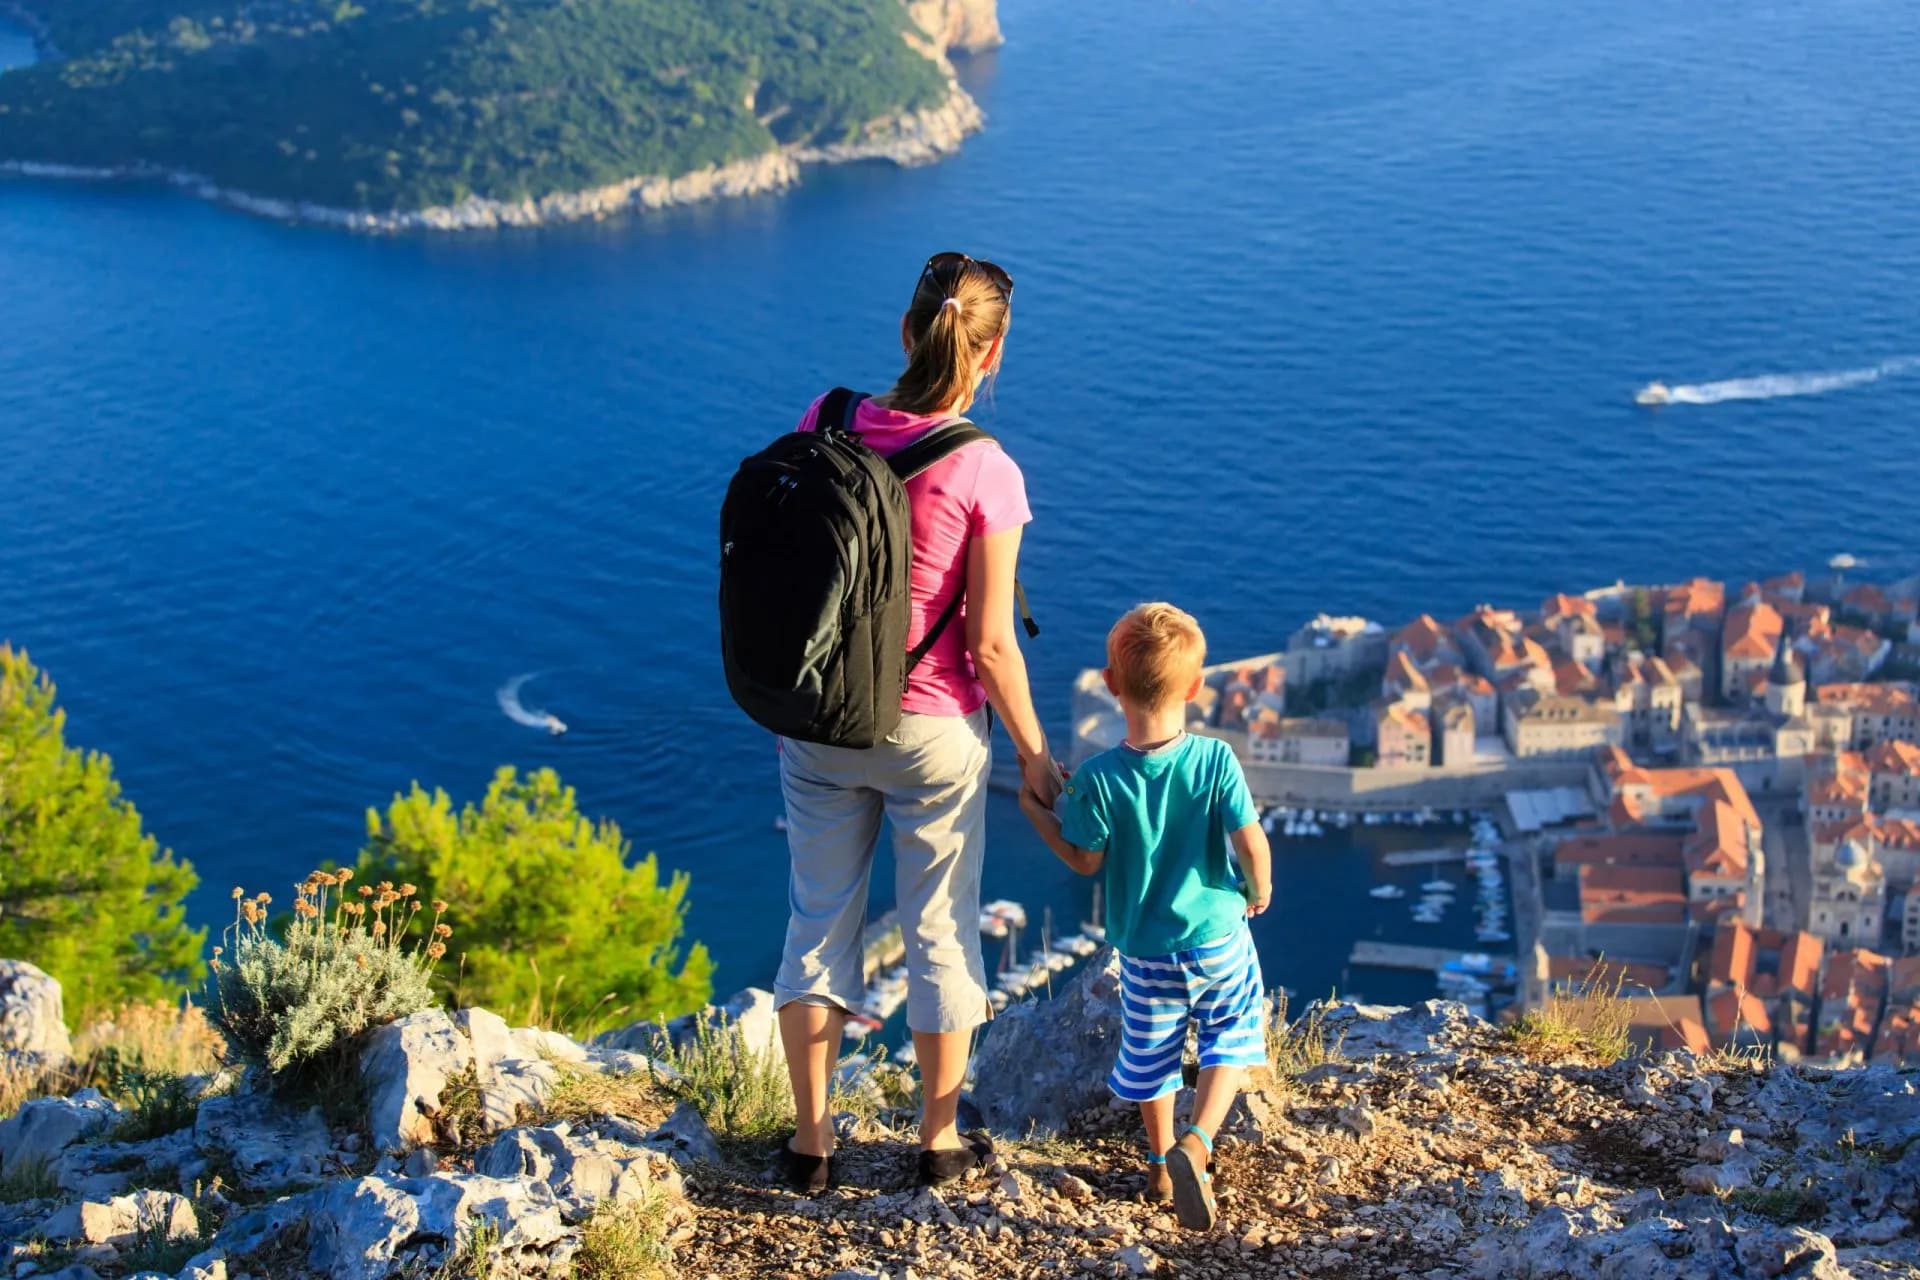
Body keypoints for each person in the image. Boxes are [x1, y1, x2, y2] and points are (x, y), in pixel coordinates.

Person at [774, 252, 1062, 1193]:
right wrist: (1035, 753)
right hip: (933, 731)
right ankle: (936, 1143)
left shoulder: (825, 418)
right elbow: (990, 647)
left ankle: (812, 1145)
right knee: (941, 929)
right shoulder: (988, 469)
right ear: (994, 354)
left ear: (906, 331)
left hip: (818, 719)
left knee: (818, 924)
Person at [1018, 602, 1273, 1231]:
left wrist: (1038, 814)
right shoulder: (1216, 760)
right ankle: (1200, 1143)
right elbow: (1250, 841)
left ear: (1110, 686)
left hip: (1146, 950)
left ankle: (1160, 1164)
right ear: (1195, 687)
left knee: (1152, 1055)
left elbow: (1083, 858)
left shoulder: (1100, 779)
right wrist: (1258, 889)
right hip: (1219, 934)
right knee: (1230, 1037)